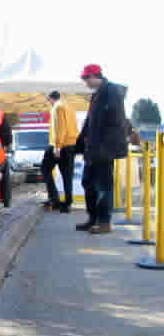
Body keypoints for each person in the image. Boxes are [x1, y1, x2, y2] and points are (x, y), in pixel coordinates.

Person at [75, 64, 128, 234]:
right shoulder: (97, 95)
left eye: (86, 79)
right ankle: (93, 219)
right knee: (88, 183)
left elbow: (116, 120)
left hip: (104, 148)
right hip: (93, 148)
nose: (86, 83)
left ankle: (104, 222)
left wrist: (106, 143)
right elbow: (90, 121)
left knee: (103, 186)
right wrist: (80, 141)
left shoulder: (112, 91)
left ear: (94, 76)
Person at [41, 91, 79, 213]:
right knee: (67, 176)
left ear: (51, 99)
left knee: (45, 169)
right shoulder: (69, 107)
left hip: (59, 145)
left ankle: (54, 198)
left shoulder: (57, 108)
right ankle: (68, 203)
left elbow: (60, 128)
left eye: (48, 101)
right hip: (71, 145)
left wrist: (58, 146)